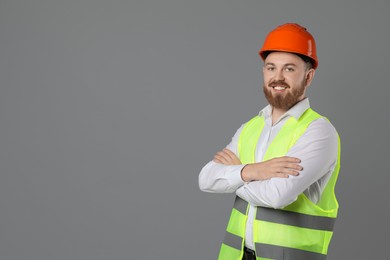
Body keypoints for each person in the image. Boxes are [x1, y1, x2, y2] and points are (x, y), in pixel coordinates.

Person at [198, 23, 341, 260]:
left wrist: (235, 176)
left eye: (289, 69)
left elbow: (278, 196)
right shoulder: (250, 128)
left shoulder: (318, 131)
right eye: (271, 68)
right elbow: (206, 179)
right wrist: (254, 171)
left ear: (308, 76)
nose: (277, 77)